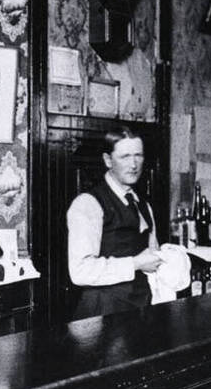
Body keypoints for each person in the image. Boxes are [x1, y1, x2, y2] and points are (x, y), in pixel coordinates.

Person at [67, 126, 162, 319]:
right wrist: (135, 263)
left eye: (138, 155)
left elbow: (152, 256)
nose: (134, 164)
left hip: (140, 308)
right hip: (103, 312)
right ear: (108, 160)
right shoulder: (88, 204)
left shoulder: (143, 205)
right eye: (125, 156)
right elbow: (80, 272)